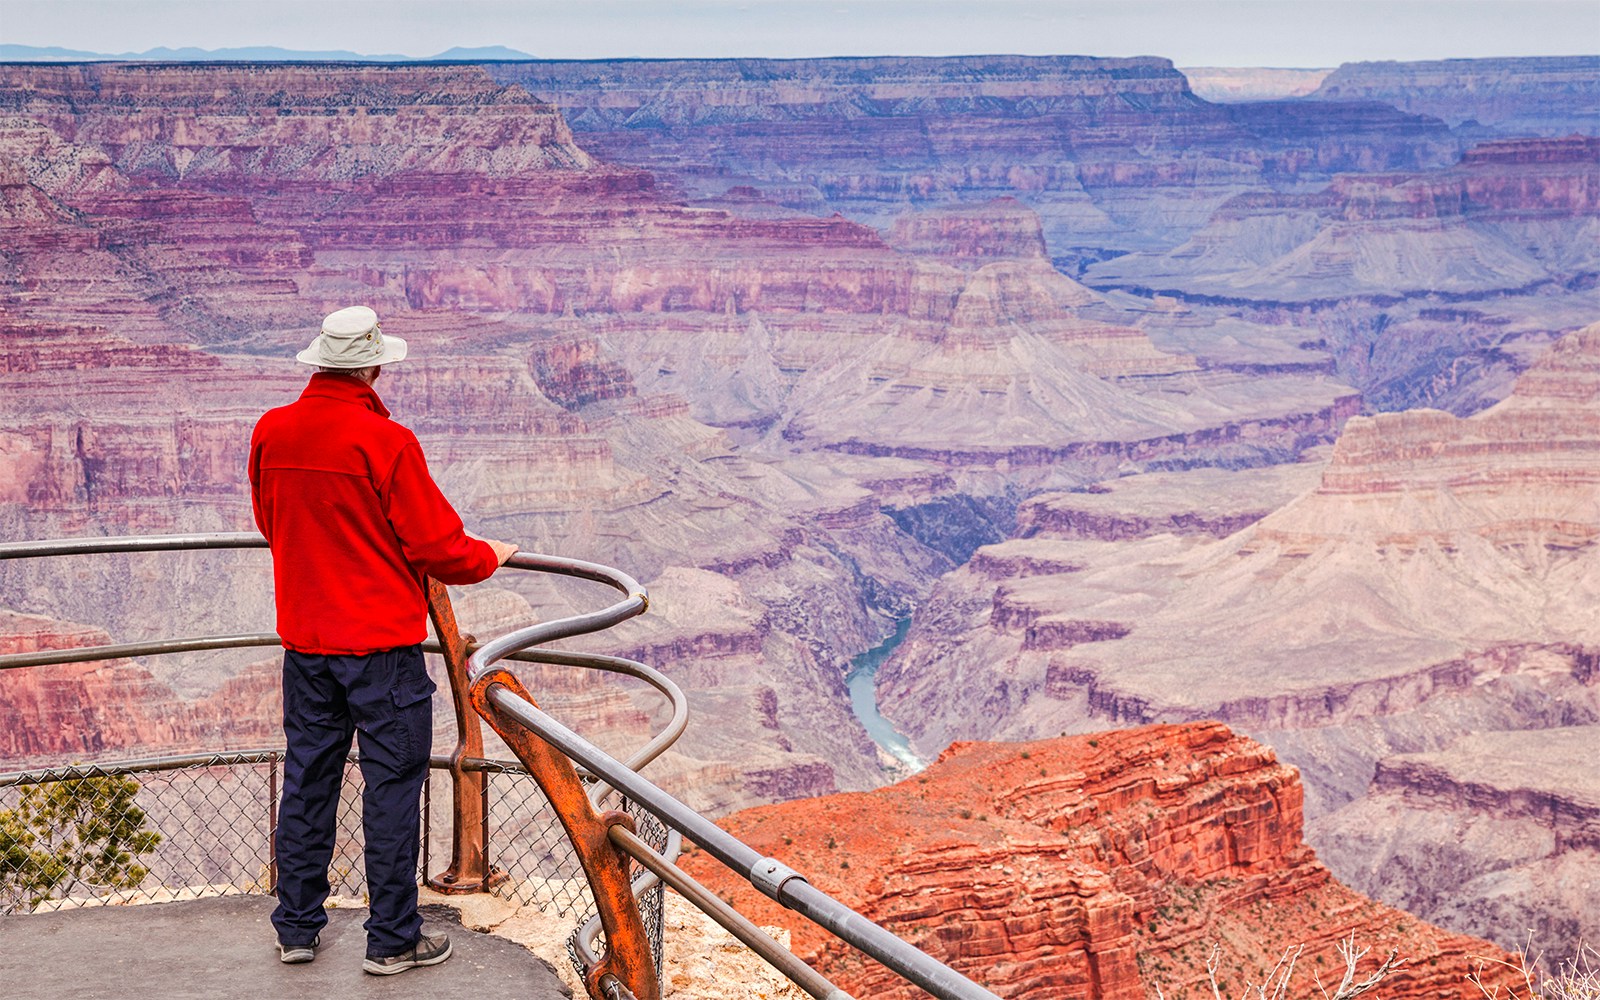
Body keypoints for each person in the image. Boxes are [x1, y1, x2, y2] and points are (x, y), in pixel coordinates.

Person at [248, 305, 517, 975]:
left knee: (309, 780)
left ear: (318, 362)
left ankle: (296, 928)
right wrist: (491, 556)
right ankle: (393, 938)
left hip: (306, 645)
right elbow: (438, 546)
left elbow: (269, 520)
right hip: (381, 651)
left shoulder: (272, 432)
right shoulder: (385, 441)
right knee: (391, 786)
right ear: (371, 365)